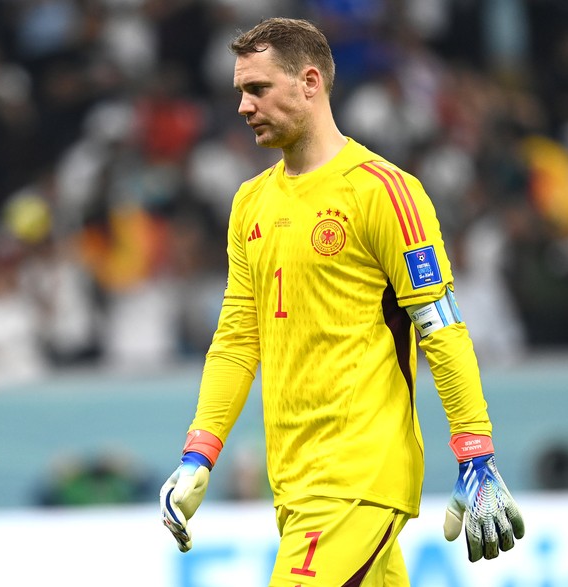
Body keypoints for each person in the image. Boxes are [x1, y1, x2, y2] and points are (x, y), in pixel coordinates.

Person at [159, 17, 525, 585]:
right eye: (239, 92)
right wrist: (198, 453)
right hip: (295, 483)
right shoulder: (250, 203)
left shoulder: (383, 191)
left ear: (310, 82)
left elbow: (442, 327)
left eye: (258, 89)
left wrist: (475, 451)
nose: (243, 107)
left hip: (357, 477)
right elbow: (236, 341)